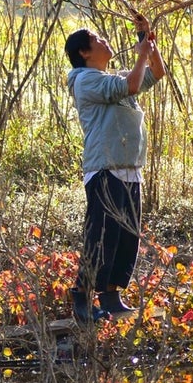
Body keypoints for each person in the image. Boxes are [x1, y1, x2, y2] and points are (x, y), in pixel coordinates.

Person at [64, 21, 166, 324]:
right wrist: (141, 55)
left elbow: (156, 74)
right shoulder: (85, 80)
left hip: (128, 167)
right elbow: (133, 84)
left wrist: (146, 40)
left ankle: (111, 296)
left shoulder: (111, 77)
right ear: (84, 52)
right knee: (101, 236)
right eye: (96, 39)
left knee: (126, 236)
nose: (104, 40)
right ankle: (82, 298)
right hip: (105, 168)